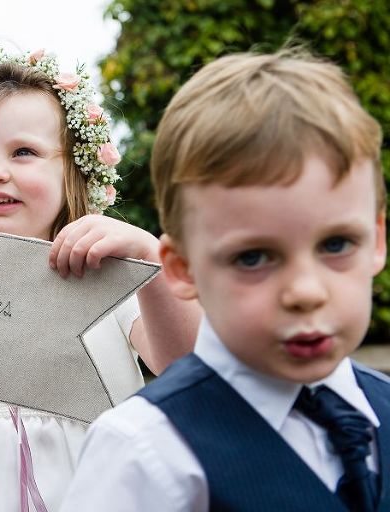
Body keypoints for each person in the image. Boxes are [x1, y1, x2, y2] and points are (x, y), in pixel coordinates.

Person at [61, 49, 390, 512]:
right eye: (253, 257)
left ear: (376, 240)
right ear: (182, 268)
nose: (306, 292)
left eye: (336, 245)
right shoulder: (144, 452)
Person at [0, 45, 201, 511]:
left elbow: (186, 364)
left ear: (71, 173)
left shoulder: (106, 275)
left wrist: (147, 256)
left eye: (23, 152)